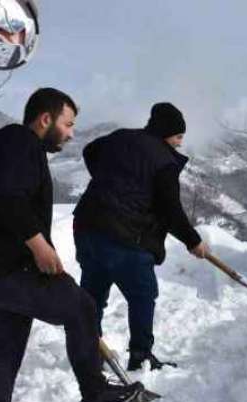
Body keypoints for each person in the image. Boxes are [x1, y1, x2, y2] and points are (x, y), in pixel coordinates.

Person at [0, 88, 143, 402]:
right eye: (68, 123)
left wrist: (38, 248)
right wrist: (39, 246)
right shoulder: (21, 142)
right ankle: (95, 394)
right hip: (1, 267)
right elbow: (6, 200)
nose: (72, 133)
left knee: (8, 346)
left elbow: (10, 201)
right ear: (45, 119)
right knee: (81, 309)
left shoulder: (6, 147)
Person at [73, 102, 210, 372]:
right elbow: (170, 209)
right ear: (166, 133)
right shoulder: (164, 160)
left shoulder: (121, 137)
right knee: (142, 295)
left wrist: (108, 180)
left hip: (88, 226)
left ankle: (89, 353)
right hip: (126, 235)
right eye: (179, 136)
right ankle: (141, 356)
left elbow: (90, 150)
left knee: (92, 293)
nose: (181, 143)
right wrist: (193, 240)